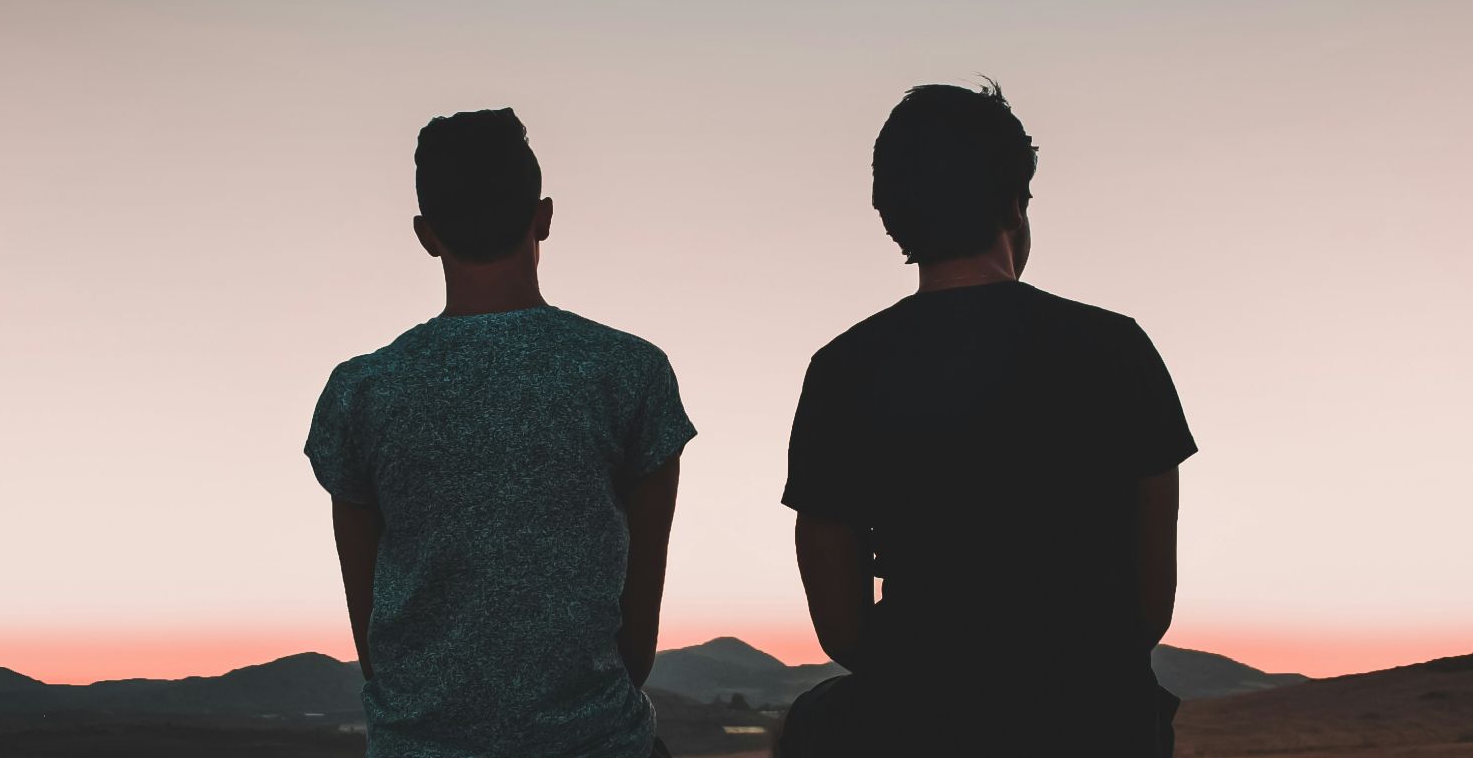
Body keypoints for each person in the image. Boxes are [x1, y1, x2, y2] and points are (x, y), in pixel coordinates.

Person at [776, 83, 1196, 757]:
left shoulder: (842, 371)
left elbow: (841, 627)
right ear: (1014, 204)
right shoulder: (1118, 349)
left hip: (917, 719)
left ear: (893, 217)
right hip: (1099, 719)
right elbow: (1151, 606)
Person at [305, 108, 695, 758]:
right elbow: (636, 640)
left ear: (426, 235)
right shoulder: (630, 374)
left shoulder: (362, 391)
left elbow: (375, 638)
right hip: (596, 742)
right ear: (543, 217)